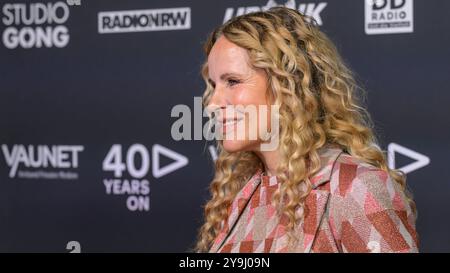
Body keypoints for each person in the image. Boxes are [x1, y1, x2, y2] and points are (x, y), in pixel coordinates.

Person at [194, 7, 418, 253]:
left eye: (233, 81)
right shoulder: (243, 191)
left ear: (287, 84)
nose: (212, 103)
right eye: (214, 85)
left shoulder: (355, 187)